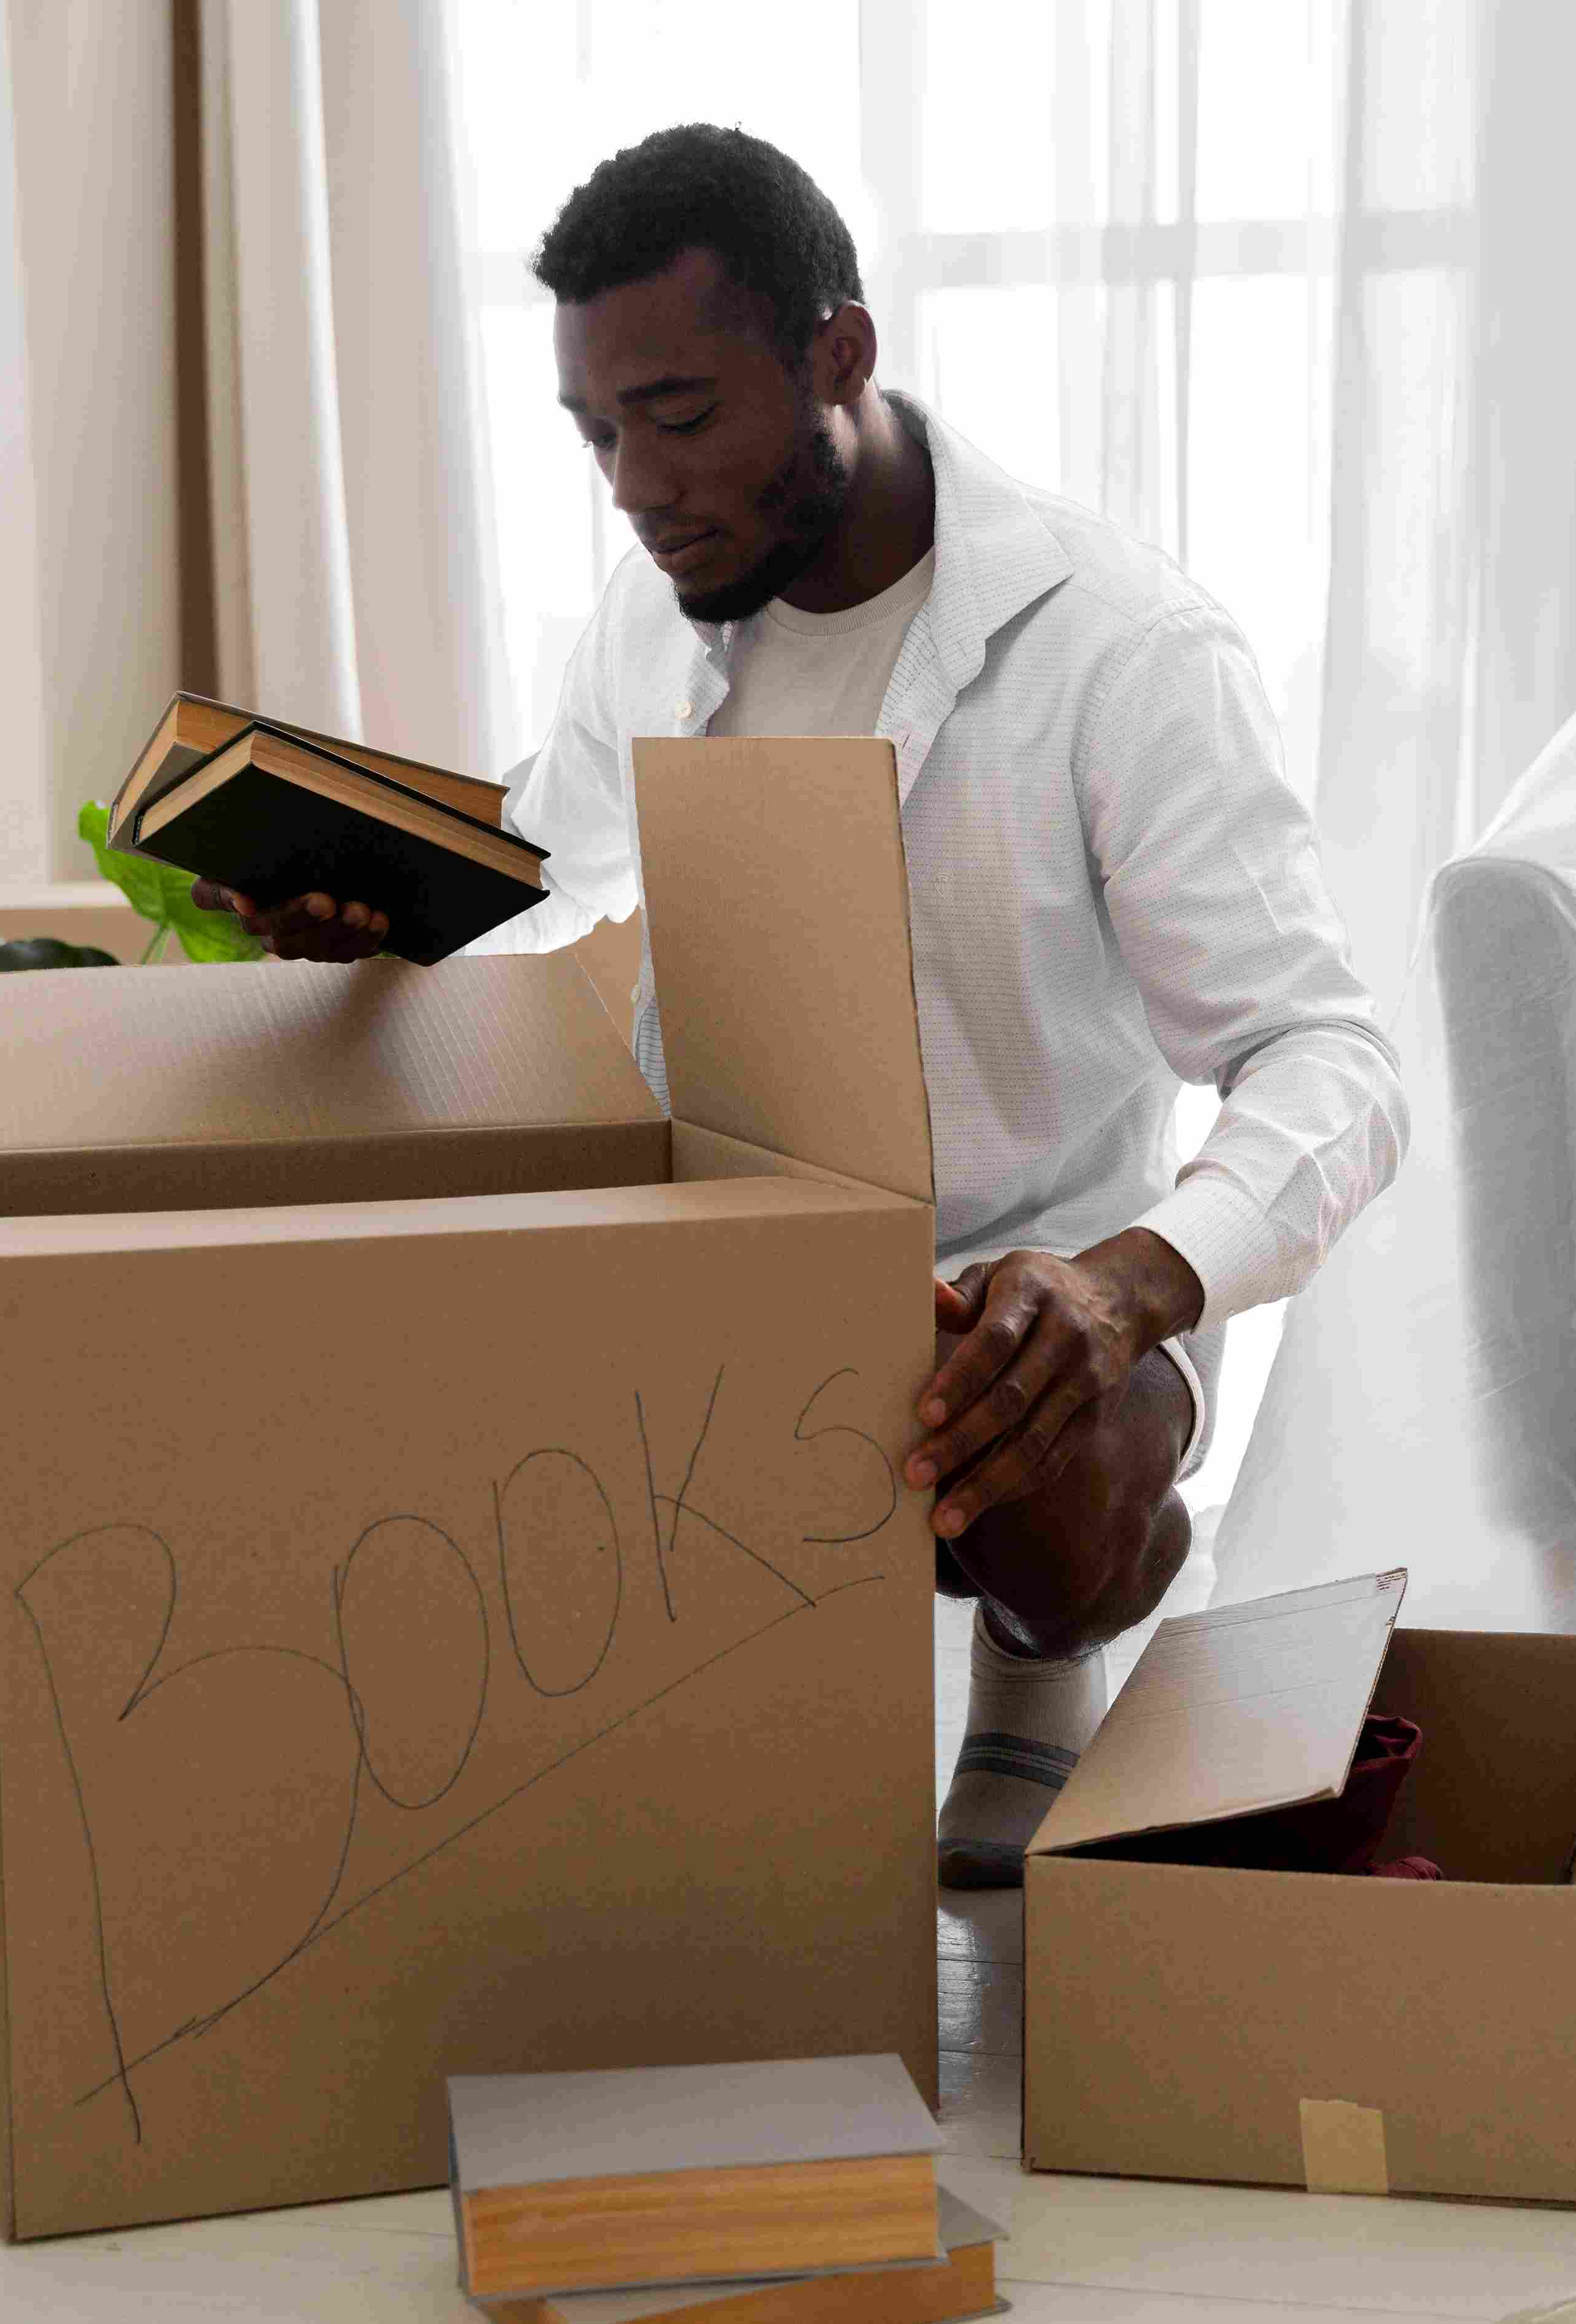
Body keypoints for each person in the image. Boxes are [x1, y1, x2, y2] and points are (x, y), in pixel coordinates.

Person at [200, 125, 1402, 1888]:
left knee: (1044, 1498)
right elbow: (562, 869)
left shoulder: (1123, 652)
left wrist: (1122, 1286)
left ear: (840, 355)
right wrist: (382, 919)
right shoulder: (650, 617)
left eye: (680, 417)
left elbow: (1332, 1057)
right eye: (597, 433)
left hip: (1016, 1291)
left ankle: (1036, 1655)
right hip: (740, 1237)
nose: (634, 483)